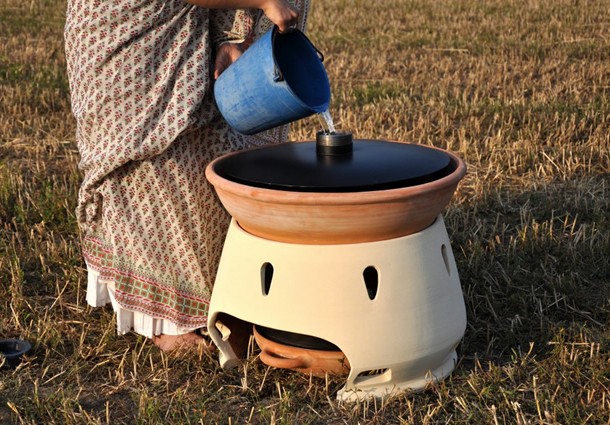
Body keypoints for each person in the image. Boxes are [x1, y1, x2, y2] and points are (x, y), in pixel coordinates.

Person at [64, 0, 309, 351]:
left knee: (207, 163)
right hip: (133, 26)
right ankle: (166, 319)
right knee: (155, 162)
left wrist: (247, 39)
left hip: (189, 22)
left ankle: (222, 301)